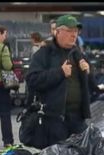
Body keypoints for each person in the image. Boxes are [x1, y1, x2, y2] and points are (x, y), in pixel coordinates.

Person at [26, 14, 91, 145]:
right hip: (53, 120)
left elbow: (90, 85)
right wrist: (60, 72)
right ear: (58, 32)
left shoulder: (78, 54)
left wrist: (89, 72)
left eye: (76, 31)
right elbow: (32, 79)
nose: (74, 35)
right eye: (69, 31)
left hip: (78, 119)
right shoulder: (44, 54)